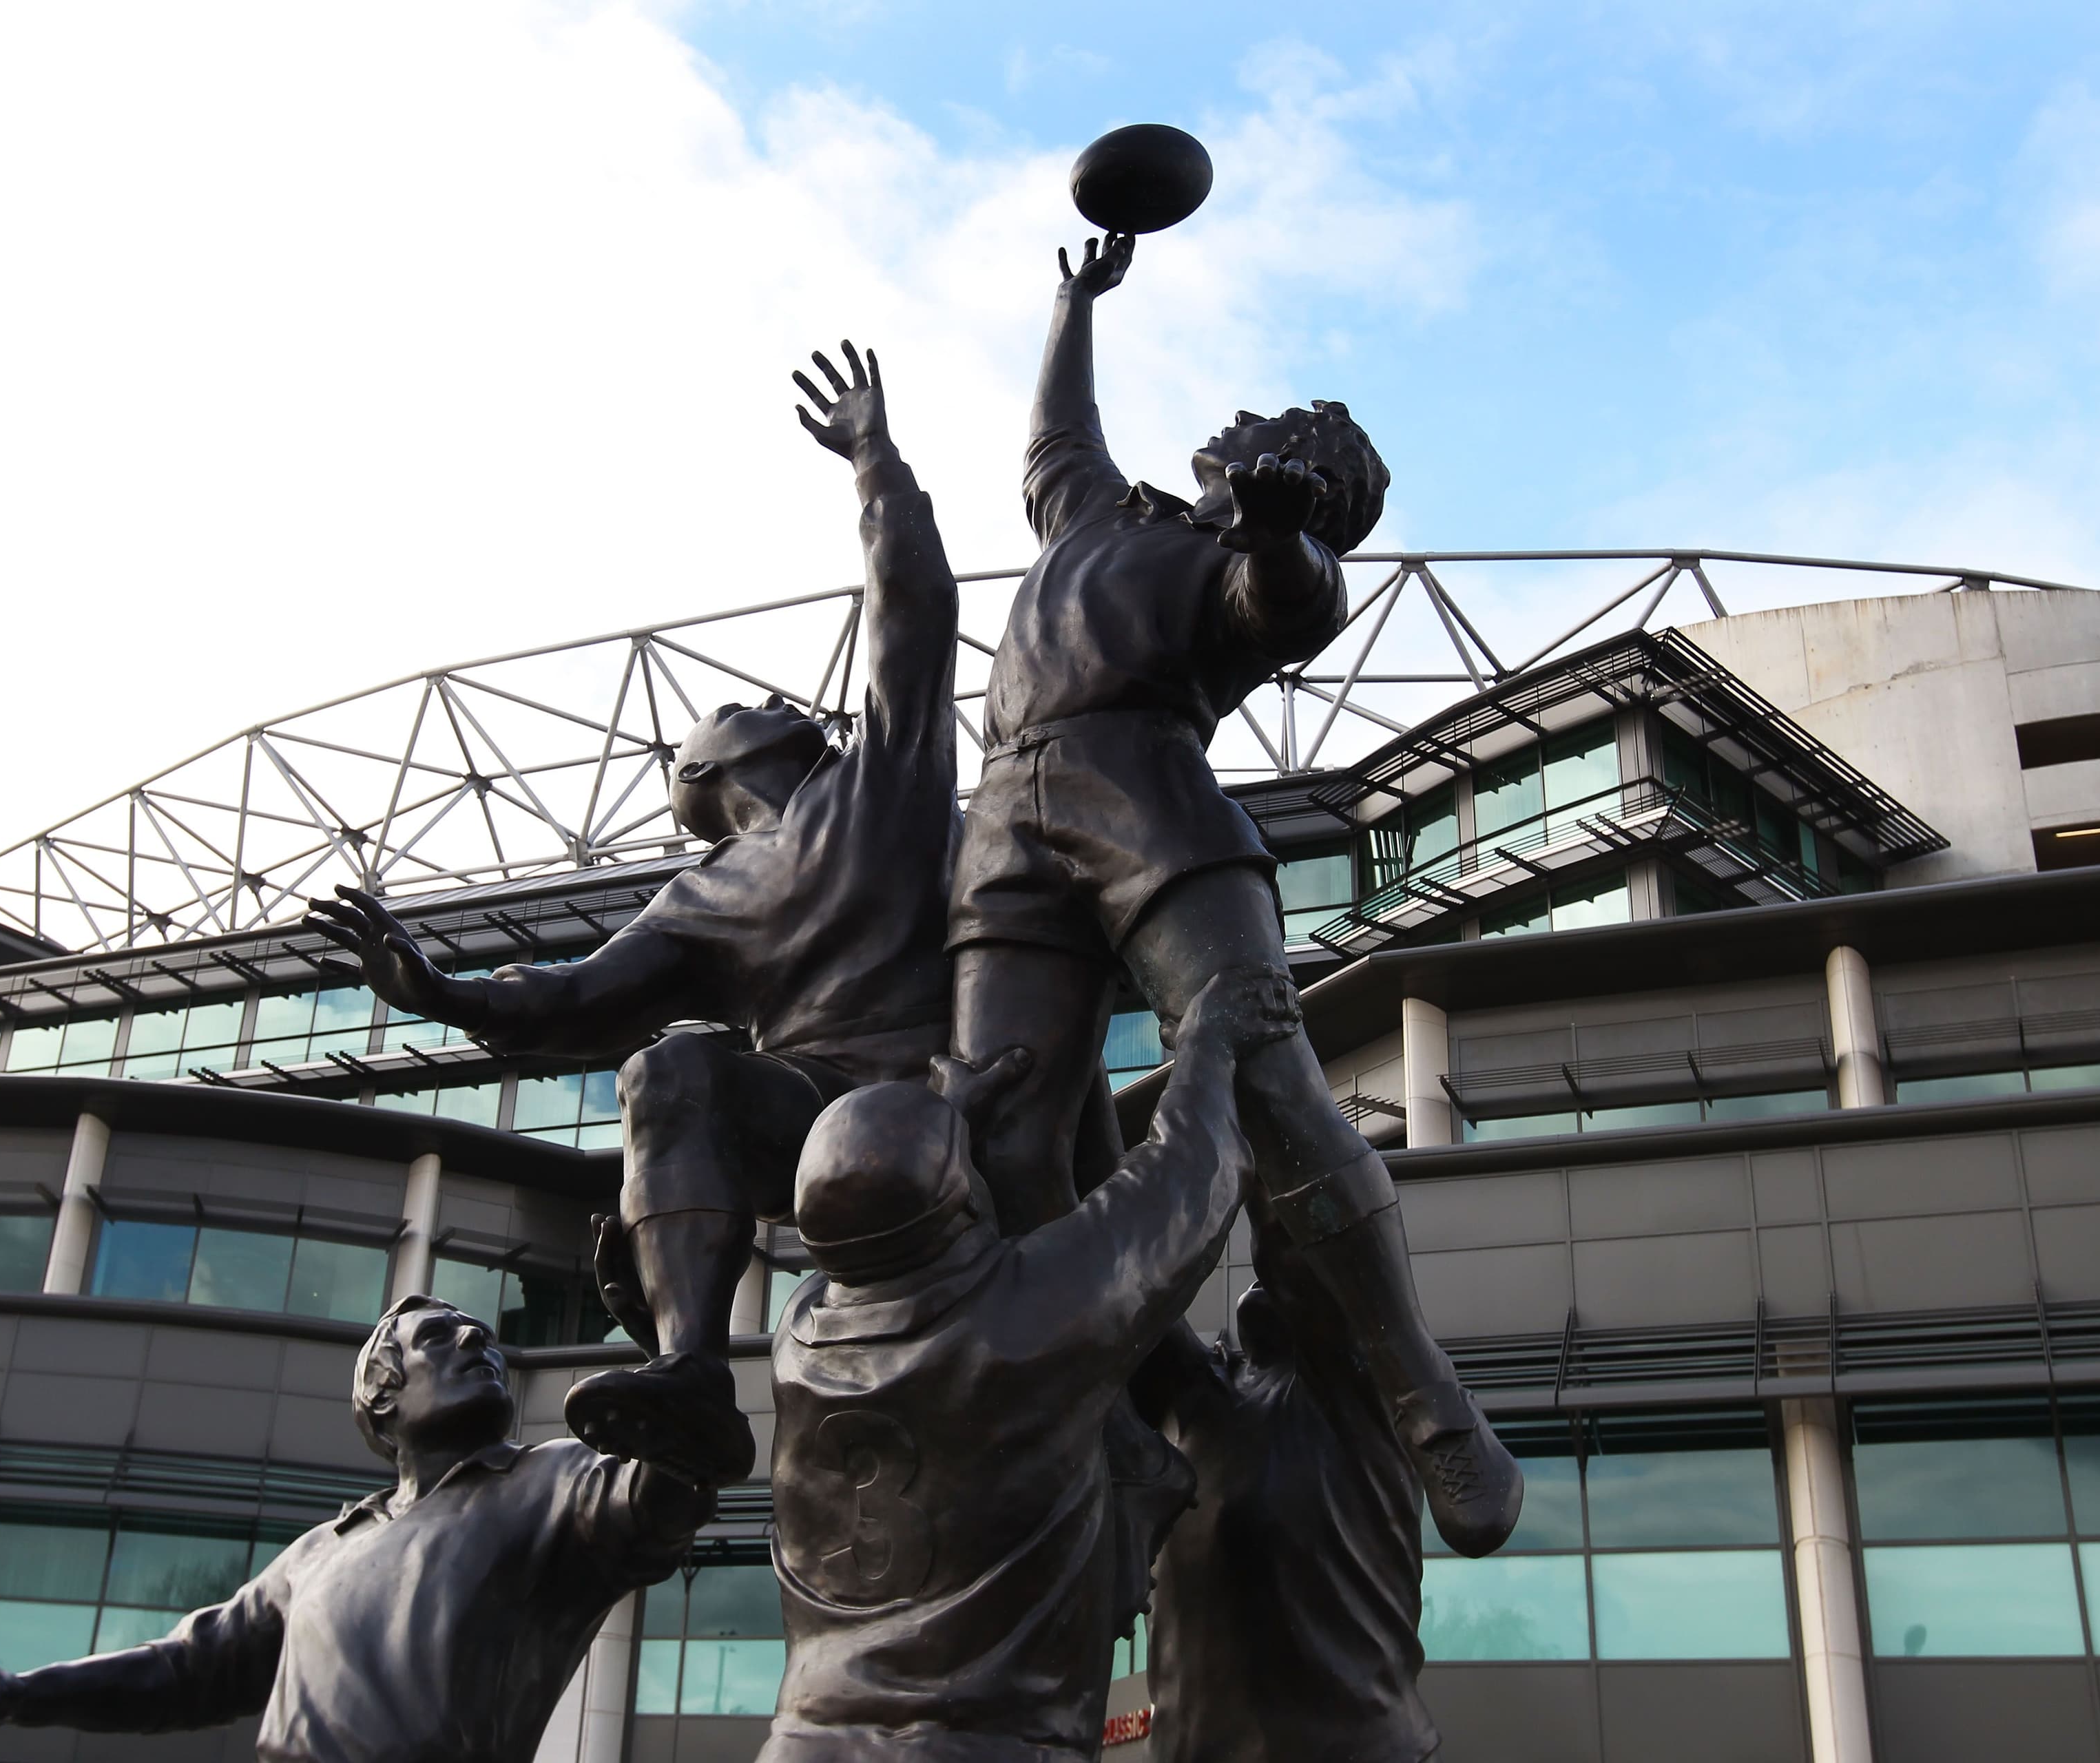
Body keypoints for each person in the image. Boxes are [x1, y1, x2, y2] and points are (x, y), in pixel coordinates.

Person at [945, 229, 1517, 1554]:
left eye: (1276, 429)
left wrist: (1278, 533)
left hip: (1153, 803)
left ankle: (1424, 1397)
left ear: (1306, 475)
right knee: (1003, 1134)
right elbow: (1053, 439)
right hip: (1004, 824)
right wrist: (1071, 305)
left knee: (1267, 1078)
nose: (1240, 417)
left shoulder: (1253, 558)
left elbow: (1288, 603)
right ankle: (1111, 1421)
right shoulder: (1104, 514)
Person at [306, 342, 959, 1489]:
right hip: (804, 1107)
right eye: (740, 705)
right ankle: (695, 1374)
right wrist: (441, 992)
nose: (774, 699)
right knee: (671, 1068)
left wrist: (874, 462)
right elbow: (570, 1000)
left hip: (931, 1083)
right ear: (705, 772)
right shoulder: (699, 898)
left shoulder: (882, 779)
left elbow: (910, 611)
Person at [758, 968, 1300, 1763]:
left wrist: (943, 1128)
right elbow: (1190, 1174)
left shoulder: (797, 1335)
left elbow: (877, 1225)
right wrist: (1209, 1042)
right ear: (965, 1201)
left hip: (804, 1744)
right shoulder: (1024, 1318)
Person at [0, 1295, 711, 1763]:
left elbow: (664, 1495)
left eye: (484, 1336)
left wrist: (674, 1348)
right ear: (382, 1390)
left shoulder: (552, 1480)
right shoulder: (319, 1553)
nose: (477, 1340)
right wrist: (21, 1691)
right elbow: (186, 1669)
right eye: (440, 1335)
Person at [1132, 1213, 1466, 1763]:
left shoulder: (1359, 1398)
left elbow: (1302, 1234)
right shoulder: (1204, 1401)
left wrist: (1238, 1139)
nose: (1267, 1273)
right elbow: (1119, 1274)